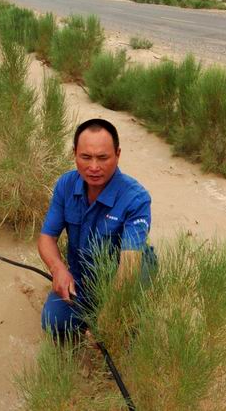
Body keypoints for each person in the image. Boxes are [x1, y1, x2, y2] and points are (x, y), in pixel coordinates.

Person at [38, 118, 152, 335]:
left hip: (124, 278)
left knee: (128, 334)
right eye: (86, 157)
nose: (94, 167)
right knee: (53, 321)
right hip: (83, 279)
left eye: (103, 157)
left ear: (118, 154)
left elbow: (129, 266)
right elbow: (46, 238)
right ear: (74, 154)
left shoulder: (136, 198)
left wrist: (110, 314)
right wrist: (58, 269)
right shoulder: (66, 185)